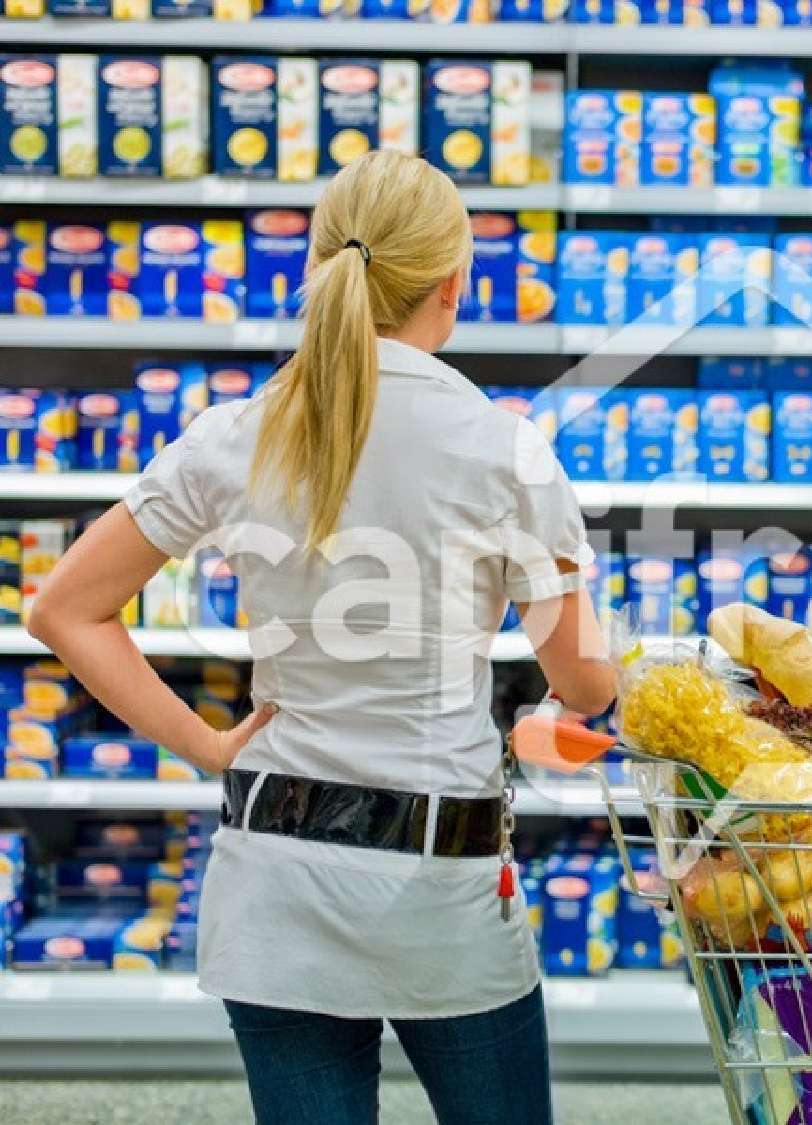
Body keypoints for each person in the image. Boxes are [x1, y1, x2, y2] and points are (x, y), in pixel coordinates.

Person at [29, 150, 614, 1125]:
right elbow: (584, 684)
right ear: (452, 286)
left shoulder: (238, 433)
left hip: (276, 880)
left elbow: (64, 608)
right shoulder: (505, 450)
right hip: (443, 880)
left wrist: (207, 745)